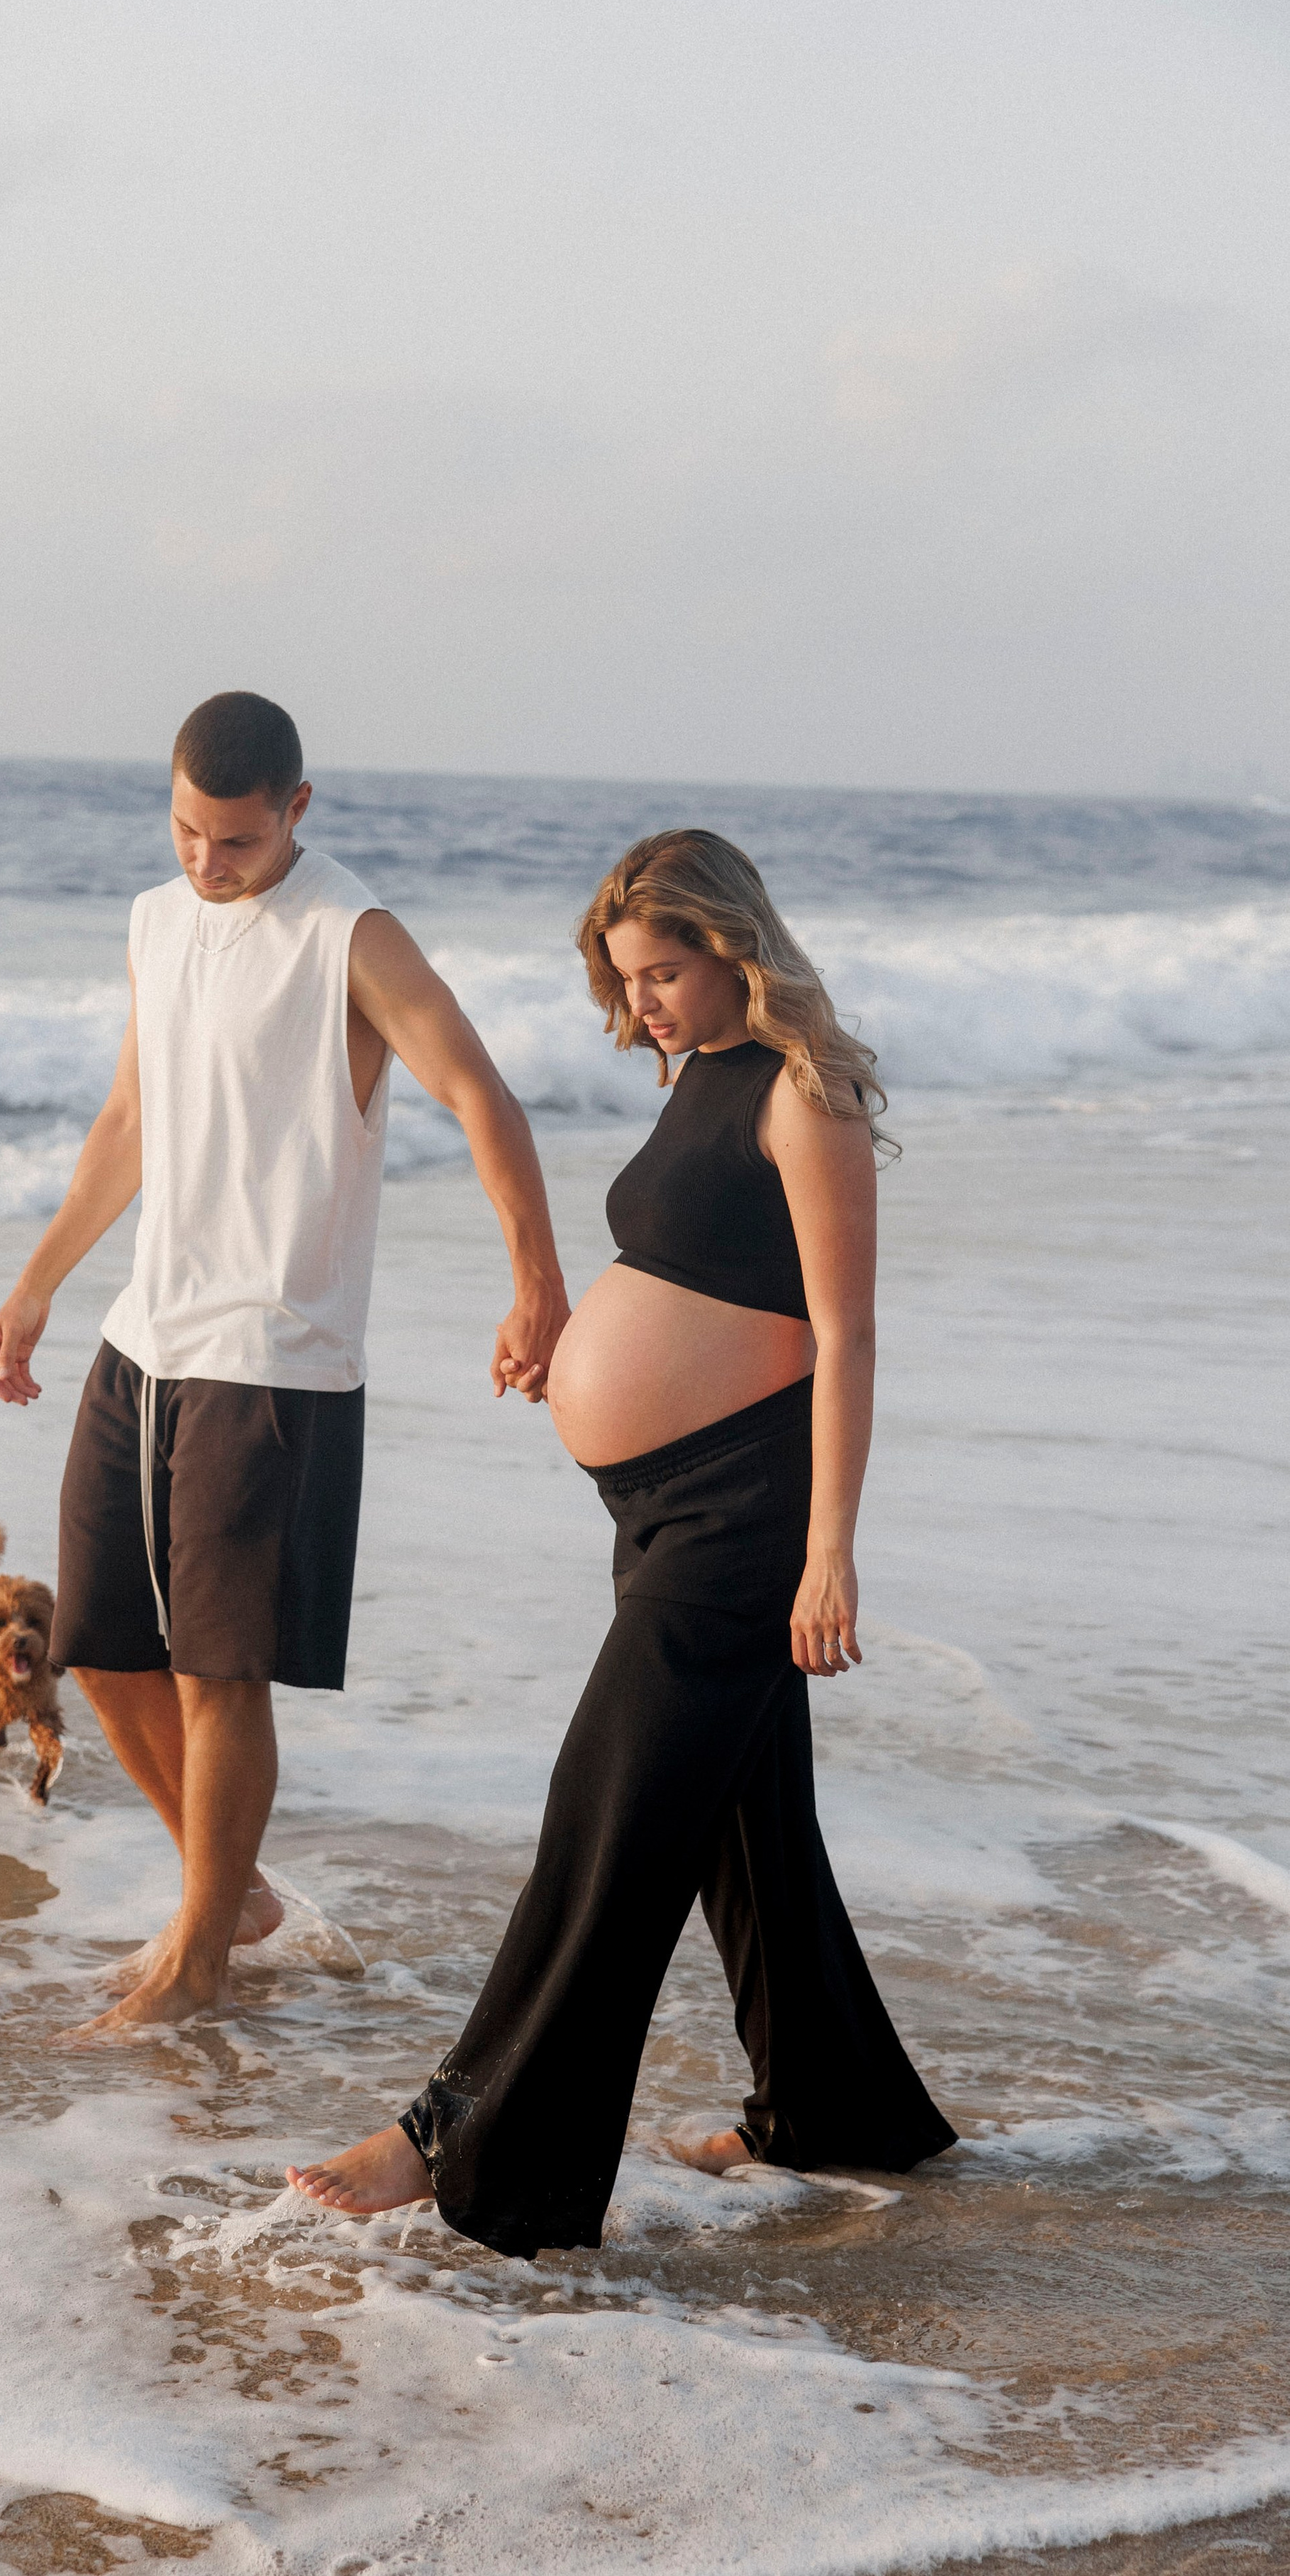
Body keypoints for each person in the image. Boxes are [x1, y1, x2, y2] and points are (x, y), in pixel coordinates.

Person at [288, 827, 955, 2255]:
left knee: (604, 1814)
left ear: (733, 946)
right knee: (746, 1833)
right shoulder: (697, 1076)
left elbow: (843, 1338)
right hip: (657, 1510)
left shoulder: (799, 1093)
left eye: (664, 969)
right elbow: (688, 1277)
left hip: (744, 1518)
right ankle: (838, 2110)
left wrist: (827, 1548)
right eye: (625, 976)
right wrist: (563, 1332)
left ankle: (462, 2137)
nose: (642, 999)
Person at [0, 691, 569, 2035]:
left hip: (273, 1354)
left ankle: (198, 1962)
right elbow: (132, 1115)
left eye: (236, 841)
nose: (207, 863)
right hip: (146, 1338)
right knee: (100, 1641)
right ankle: (228, 1893)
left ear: (298, 811)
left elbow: (482, 1092)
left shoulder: (351, 938)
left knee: (217, 1671)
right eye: (187, 830)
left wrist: (536, 1279)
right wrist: (40, 1280)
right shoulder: (154, 919)